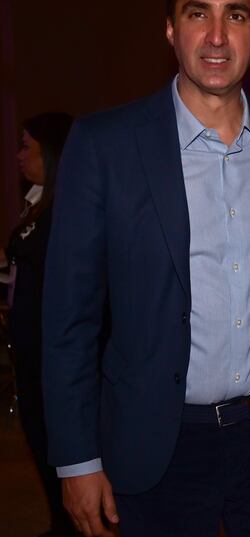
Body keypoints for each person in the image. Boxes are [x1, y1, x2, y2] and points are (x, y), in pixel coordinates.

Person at [42, 0, 250, 537]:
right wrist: (77, 459)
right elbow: (70, 319)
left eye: (237, 16)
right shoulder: (105, 148)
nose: (217, 36)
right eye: (199, 14)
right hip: (159, 444)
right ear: (171, 29)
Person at [3, 112, 77, 537]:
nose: (18, 155)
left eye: (27, 146)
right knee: (40, 442)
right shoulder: (38, 204)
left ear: (51, 153)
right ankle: (59, 524)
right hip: (31, 355)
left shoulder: (65, 212)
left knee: (58, 448)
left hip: (53, 358)